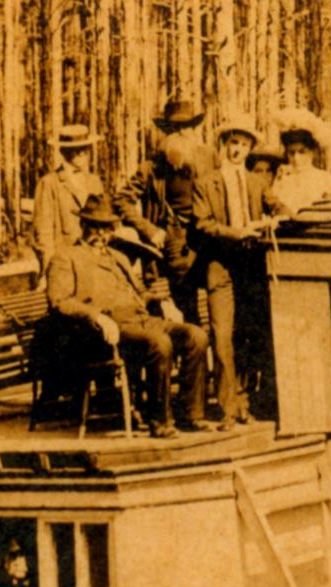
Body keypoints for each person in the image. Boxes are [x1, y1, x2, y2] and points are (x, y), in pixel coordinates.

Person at [46, 195, 210, 437]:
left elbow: (140, 293)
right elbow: (59, 301)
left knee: (195, 336)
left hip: (141, 319)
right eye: (95, 227)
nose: (101, 234)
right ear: (83, 226)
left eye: (106, 228)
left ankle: (191, 414)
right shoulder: (66, 256)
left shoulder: (118, 257)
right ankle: (160, 421)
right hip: (105, 329)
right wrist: (96, 316)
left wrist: (164, 302)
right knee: (159, 343)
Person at [193, 112, 283, 429]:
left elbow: (279, 207)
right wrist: (237, 232)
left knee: (249, 336)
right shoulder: (206, 183)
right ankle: (227, 409)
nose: (237, 151)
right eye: (233, 144)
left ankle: (244, 402)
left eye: (243, 145)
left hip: (250, 269)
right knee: (222, 338)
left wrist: (277, 218)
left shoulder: (258, 182)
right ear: (224, 145)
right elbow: (202, 224)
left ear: (249, 150)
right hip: (220, 269)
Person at [113, 94, 214, 324]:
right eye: (173, 129)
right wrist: (150, 230)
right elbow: (121, 200)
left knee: (219, 304)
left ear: (194, 131)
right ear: (165, 133)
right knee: (186, 310)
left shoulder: (209, 158)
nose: (180, 134)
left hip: (207, 237)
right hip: (174, 241)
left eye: (186, 128)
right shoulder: (151, 167)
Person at [31, 124, 106, 272]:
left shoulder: (94, 181)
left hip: (94, 262)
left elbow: (104, 224)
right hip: (65, 264)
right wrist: (51, 271)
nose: (81, 153)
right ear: (63, 151)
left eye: (85, 148)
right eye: (75, 149)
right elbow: (43, 234)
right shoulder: (49, 183)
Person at [270, 124, 331, 216]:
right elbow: (275, 205)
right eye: (291, 153)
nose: (296, 158)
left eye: (301, 152)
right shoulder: (282, 177)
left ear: (313, 152)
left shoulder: (324, 177)